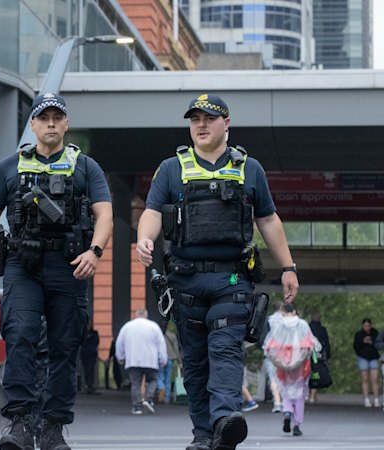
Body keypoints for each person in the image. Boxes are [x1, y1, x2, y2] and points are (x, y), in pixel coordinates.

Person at [136, 94, 299, 450]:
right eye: (195, 119)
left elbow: (268, 219)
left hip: (232, 280)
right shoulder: (171, 168)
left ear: (227, 123)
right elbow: (151, 211)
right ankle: (203, 434)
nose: (201, 125)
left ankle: (225, 420)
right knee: (194, 362)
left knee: (225, 350)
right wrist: (143, 240)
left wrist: (288, 267)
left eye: (209, 119)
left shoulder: (249, 168)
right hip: (185, 282)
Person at [0, 92, 113, 450]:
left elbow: (105, 213)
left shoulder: (86, 167)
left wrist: (95, 252)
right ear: (32, 125)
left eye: (57, 117)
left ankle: (52, 428)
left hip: (70, 267)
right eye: (43, 117)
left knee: (65, 345)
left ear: (65, 124)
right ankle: (20, 422)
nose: (51, 123)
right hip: (24, 266)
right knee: (20, 333)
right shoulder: (9, 166)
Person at [264, 303, 320, 437]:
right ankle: (297, 425)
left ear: (283, 312)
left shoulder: (278, 325)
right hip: (300, 364)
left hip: (283, 364)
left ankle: (287, 412)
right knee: (300, 394)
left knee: (286, 391)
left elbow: (269, 344)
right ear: (294, 311)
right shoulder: (302, 324)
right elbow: (312, 343)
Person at [115, 308, 167, 415]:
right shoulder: (154, 327)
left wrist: (120, 357)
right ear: (146, 314)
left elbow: (119, 343)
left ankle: (137, 407)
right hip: (150, 360)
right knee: (152, 380)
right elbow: (161, 344)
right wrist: (163, 358)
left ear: (136, 314)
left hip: (133, 360)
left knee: (136, 383)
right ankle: (148, 399)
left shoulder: (127, 327)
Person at [353, 318, 380, 408]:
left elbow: (379, 345)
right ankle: (366, 399)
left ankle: (376, 399)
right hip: (363, 358)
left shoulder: (375, 333)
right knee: (365, 379)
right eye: (365, 326)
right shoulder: (359, 335)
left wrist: (372, 342)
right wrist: (363, 342)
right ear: (362, 326)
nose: (367, 327)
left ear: (371, 326)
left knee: (375, 379)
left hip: (374, 358)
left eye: (368, 326)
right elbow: (356, 347)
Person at [263, 301, 284, 413]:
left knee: (272, 378)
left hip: (270, 350)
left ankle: (277, 402)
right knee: (283, 377)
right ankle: (285, 401)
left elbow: (262, 335)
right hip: (283, 352)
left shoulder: (268, 320)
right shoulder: (287, 321)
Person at [307, 310, 331, 403]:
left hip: (305, 355)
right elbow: (326, 344)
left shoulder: (306, 327)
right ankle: (312, 395)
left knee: (308, 374)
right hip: (317, 356)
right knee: (315, 374)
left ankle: (311, 394)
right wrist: (327, 355)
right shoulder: (322, 329)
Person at [157, 319, 181, 404]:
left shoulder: (158, 335)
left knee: (159, 376)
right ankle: (167, 397)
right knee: (168, 379)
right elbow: (176, 349)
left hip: (160, 359)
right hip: (171, 359)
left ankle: (161, 387)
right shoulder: (172, 335)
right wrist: (180, 361)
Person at [81, 322, 101, 395]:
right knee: (86, 370)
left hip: (91, 354)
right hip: (84, 354)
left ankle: (90, 386)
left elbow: (96, 342)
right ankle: (87, 385)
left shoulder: (94, 333)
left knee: (90, 370)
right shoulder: (83, 333)